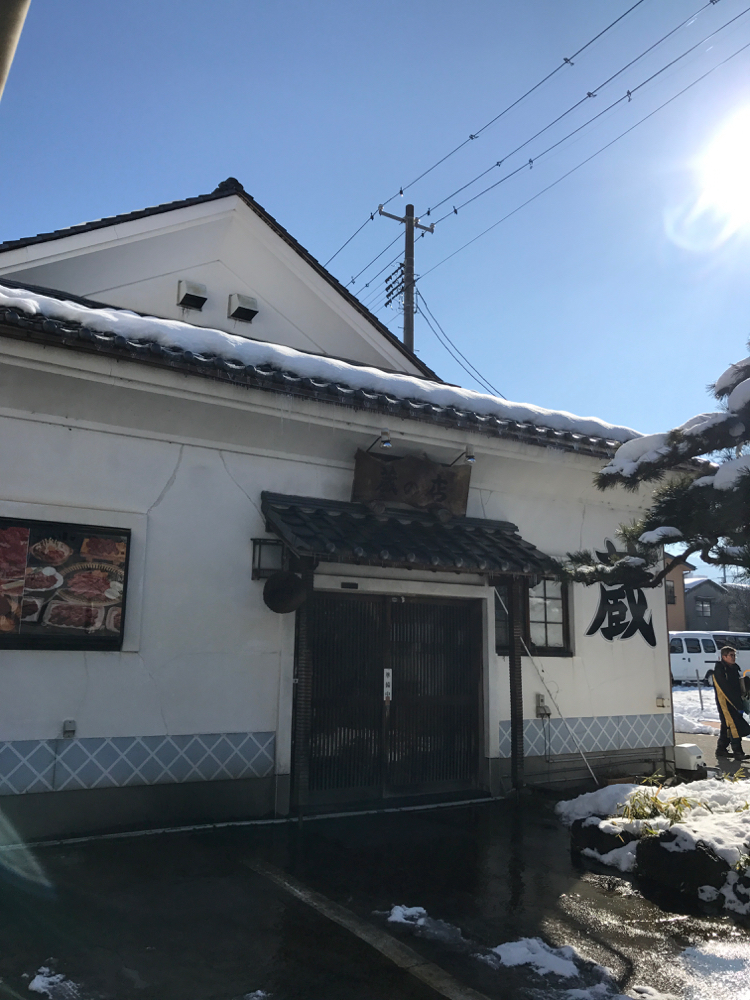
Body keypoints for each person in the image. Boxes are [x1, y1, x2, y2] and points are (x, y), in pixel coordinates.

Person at [712, 645, 750, 761]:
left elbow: (737, 686)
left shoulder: (733, 668)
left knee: (726, 726)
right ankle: (738, 752)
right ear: (724, 656)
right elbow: (726, 690)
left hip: (736, 702)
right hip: (726, 703)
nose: (733, 658)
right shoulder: (720, 671)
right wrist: (737, 705)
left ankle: (721, 749)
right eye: (731, 655)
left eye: (734, 655)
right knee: (734, 726)